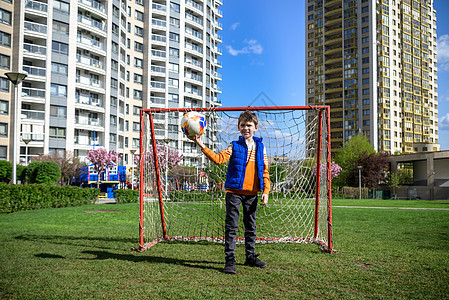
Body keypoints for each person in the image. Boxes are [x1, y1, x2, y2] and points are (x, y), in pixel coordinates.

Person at [189, 110, 270, 274]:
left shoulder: (261, 147)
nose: (246, 128)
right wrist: (201, 144)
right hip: (234, 193)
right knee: (231, 227)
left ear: (255, 127)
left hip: (252, 194)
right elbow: (218, 159)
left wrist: (266, 191)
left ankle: (250, 257)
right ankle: (230, 261)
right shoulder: (234, 146)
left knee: (251, 227)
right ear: (239, 127)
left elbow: (265, 171)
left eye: (249, 125)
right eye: (242, 125)